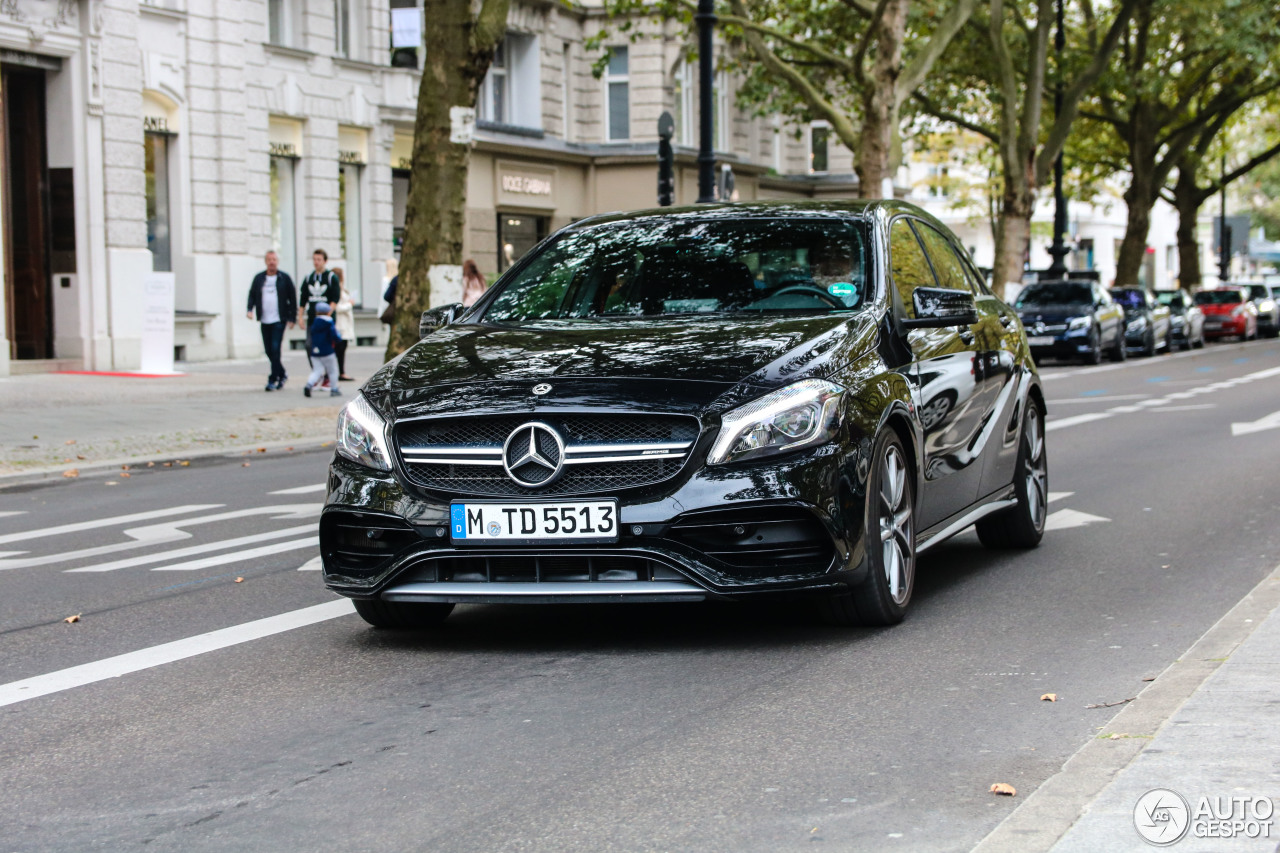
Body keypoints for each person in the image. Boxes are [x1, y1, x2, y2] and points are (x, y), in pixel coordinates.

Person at [245, 250, 297, 392]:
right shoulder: (259, 278)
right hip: (264, 319)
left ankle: (272, 379)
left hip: (279, 319)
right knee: (268, 350)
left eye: (274, 259)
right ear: (265, 261)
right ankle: (282, 374)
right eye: (269, 259)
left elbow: (292, 298)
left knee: (275, 348)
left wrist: (293, 317)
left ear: (277, 261)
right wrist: (250, 309)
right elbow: (252, 294)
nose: (272, 262)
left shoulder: (284, 278)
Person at [297, 248, 341, 383]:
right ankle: (317, 372)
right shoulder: (308, 278)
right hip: (313, 320)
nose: (316, 262)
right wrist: (300, 316)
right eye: (314, 259)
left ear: (325, 261)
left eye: (319, 260)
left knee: (327, 348)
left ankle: (329, 376)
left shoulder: (330, 278)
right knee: (310, 346)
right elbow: (303, 299)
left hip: (327, 321)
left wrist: (327, 314)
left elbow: (335, 298)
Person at [303, 303, 342, 398]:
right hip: (327, 351)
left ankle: (309, 384)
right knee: (332, 370)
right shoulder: (329, 322)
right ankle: (334, 389)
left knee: (317, 370)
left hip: (315, 351)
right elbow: (334, 335)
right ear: (329, 312)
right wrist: (338, 339)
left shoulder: (314, 323)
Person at [332, 268, 356, 381]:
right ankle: (338, 372)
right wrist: (349, 305)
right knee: (339, 349)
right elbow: (337, 308)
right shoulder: (336, 290)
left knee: (341, 349)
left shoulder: (341, 289)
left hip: (345, 324)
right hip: (340, 324)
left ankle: (340, 371)